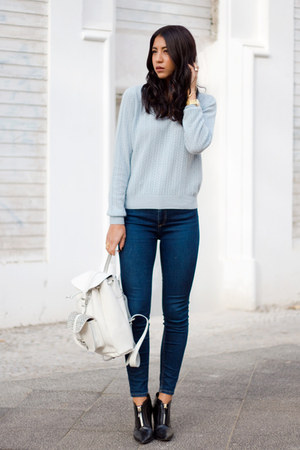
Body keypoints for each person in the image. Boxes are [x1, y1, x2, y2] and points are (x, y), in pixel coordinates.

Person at [105, 24, 217, 444]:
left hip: (183, 220)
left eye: (167, 51)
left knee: (177, 311)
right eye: (154, 50)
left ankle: (164, 400)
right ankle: (139, 405)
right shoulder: (136, 98)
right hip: (137, 218)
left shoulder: (204, 103)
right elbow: (122, 159)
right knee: (137, 314)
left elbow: (196, 144)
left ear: (184, 57)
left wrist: (190, 96)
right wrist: (117, 216)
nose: (158, 57)